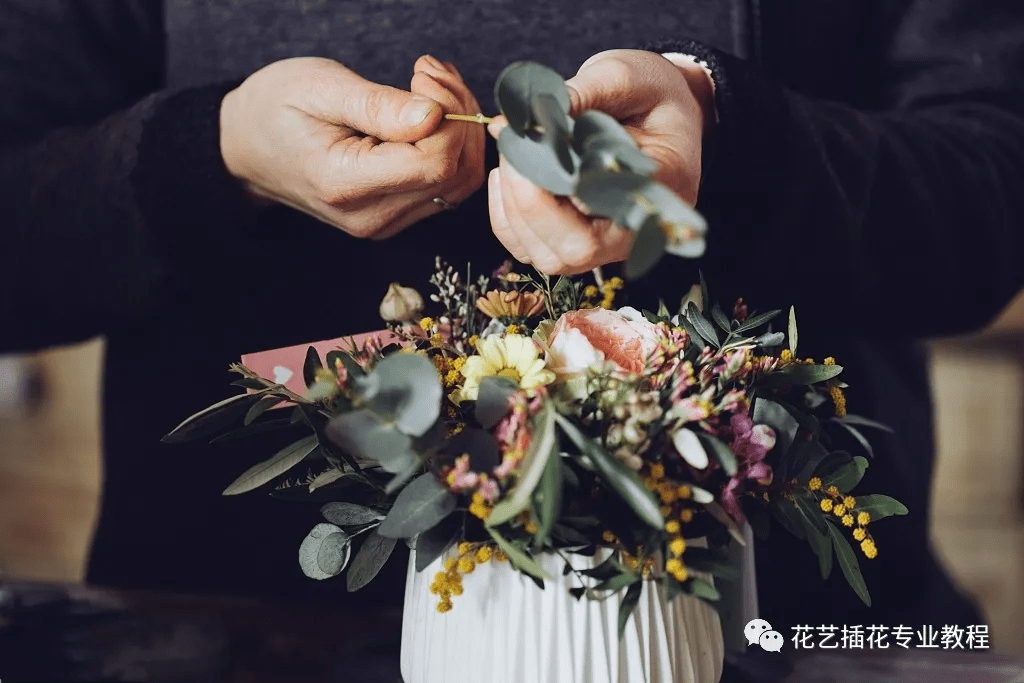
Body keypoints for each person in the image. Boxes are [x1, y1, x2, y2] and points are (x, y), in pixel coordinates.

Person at [0, 0, 1009, 636]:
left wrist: (730, 141)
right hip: (224, 634)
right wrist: (206, 156)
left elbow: (993, 190)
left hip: (785, 642)